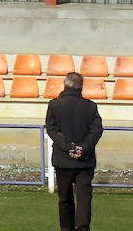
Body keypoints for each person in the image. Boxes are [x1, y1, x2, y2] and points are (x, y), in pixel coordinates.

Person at [45, 71, 104, 231]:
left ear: (65, 85)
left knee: (64, 199)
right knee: (84, 198)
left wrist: (68, 147)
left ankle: (66, 229)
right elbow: (96, 130)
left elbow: (52, 129)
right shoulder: (91, 107)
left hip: (63, 160)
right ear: (81, 87)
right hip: (84, 162)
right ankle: (83, 228)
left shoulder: (54, 105)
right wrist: (83, 148)